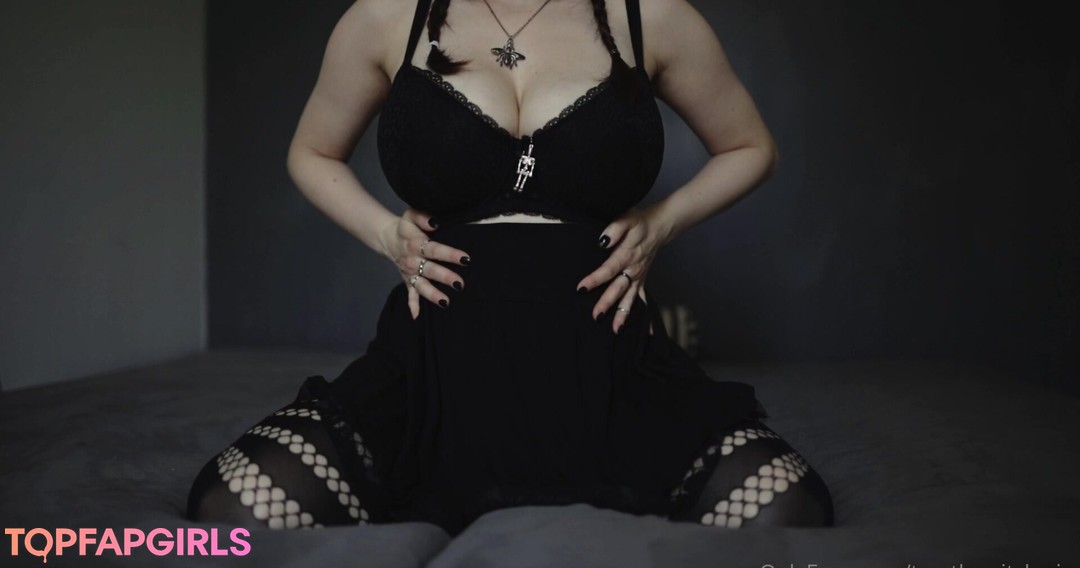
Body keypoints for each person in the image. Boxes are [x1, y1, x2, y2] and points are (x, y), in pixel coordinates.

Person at [186, 0, 835, 536]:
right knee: (236, 503)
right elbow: (312, 151)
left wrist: (662, 222)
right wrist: (384, 233)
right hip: (436, 362)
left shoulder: (650, 17)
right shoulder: (387, 17)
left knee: (786, 509)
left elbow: (751, 146)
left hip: (605, 362)